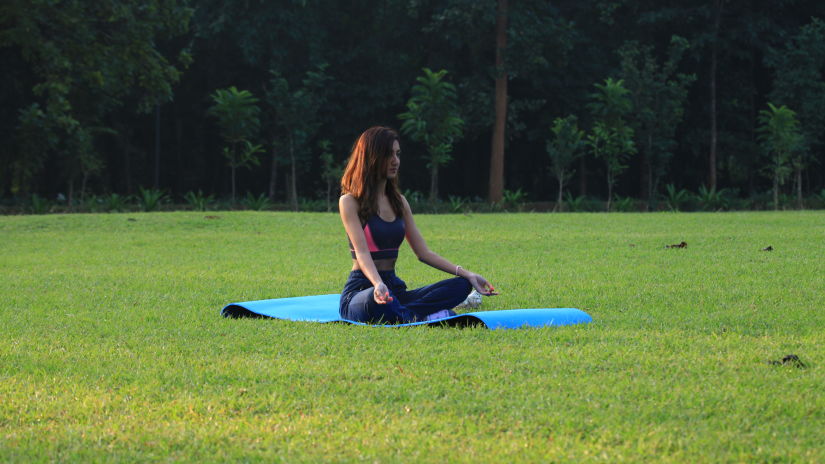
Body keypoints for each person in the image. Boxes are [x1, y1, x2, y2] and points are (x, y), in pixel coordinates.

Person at [338, 126, 497, 323]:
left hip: (394, 289)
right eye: (388, 155)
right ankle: (422, 316)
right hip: (362, 290)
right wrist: (378, 284)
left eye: (397, 154)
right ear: (371, 157)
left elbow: (424, 253)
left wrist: (469, 275)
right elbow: (362, 253)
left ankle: (408, 315)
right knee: (375, 301)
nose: (395, 161)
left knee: (462, 286)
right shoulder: (350, 202)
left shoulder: (399, 202)